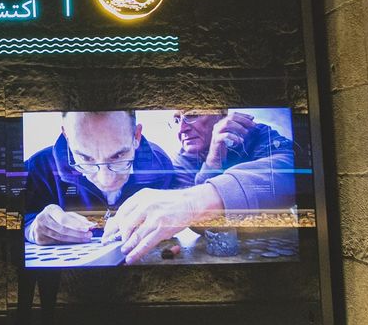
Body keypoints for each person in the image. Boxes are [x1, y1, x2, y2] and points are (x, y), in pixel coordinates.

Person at [105, 108, 297, 265]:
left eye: (191, 115)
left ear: (222, 114)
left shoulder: (255, 133)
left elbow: (295, 169)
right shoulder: (182, 160)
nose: (181, 130)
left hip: (280, 249)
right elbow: (196, 225)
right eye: (177, 120)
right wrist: (213, 162)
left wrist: (196, 201)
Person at [24, 110, 194, 245]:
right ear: (67, 136)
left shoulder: (160, 165)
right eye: (85, 158)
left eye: (119, 156)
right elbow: (4, 222)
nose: (106, 180)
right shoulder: (39, 167)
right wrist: (29, 227)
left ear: (137, 136)